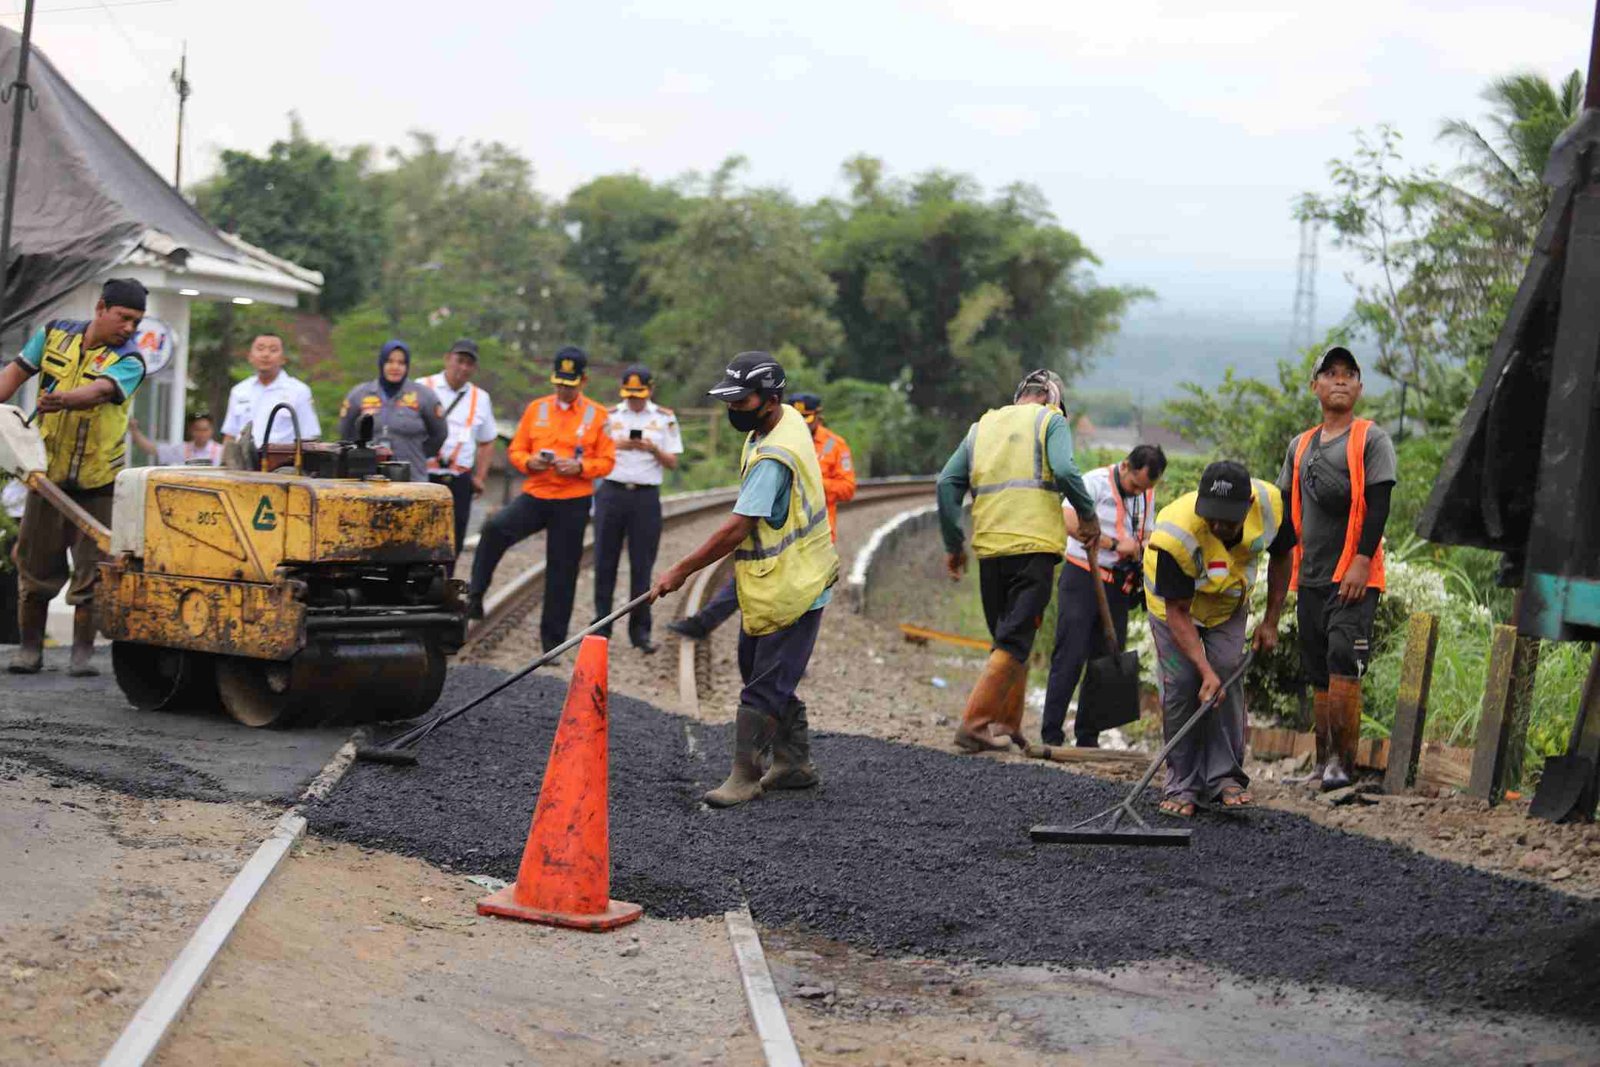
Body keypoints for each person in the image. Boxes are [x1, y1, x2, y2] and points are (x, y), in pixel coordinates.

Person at [652, 352, 839, 808]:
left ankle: (745, 775)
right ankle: (794, 762)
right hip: (776, 578)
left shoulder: (775, 455)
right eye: (730, 400)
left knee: (762, 684)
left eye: (742, 400)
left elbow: (736, 528)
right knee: (759, 670)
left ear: (771, 400)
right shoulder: (783, 422)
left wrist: (680, 570)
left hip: (794, 583)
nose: (733, 408)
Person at [936, 369, 1100, 753]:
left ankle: (1007, 724)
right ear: (1053, 398)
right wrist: (1088, 515)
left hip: (991, 548)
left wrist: (954, 544)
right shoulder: (1051, 420)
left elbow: (947, 483)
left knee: (1008, 638)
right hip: (1033, 547)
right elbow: (1064, 469)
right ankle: (974, 726)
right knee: (1015, 637)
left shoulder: (982, 426)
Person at [0, 278, 150, 675]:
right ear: (101, 308)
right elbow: (12, 377)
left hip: (99, 482)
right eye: (124, 317)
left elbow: (100, 392)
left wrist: (63, 399)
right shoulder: (52, 335)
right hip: (46, 477)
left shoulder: (132, 359)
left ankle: (82, 653)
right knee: (34, 564)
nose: (130, 328)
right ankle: (30, 649)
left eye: (137, 321)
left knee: (93, 571)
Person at [1142, 460, 1293, 817]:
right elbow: (1178, 612)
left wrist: (1271, 621)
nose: (1219, 526)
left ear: (1248, 505)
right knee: (1182, 683)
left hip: (1226, 604)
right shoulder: (1175, 532)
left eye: (1229, 519)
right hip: (1174, 610)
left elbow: (1283, 556)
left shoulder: (1270, 504)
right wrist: (1202, 669)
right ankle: (1182, 784)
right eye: (1212, 517)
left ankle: (1225, 777)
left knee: (1226, 672)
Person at [1277, 346, 1396, 792]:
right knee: (1316, 668)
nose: (1340, 380)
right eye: (1331, 373)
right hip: (1309, 574)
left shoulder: (1370, 439)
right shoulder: (1301, 445)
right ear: (1316, 387)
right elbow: (1286, 509)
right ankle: (1322, 759)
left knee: (1344, 657)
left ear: (1360, 388)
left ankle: (1343, 765)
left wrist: (1361, 562)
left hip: (1353, 575)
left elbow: (1380, 503)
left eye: (1349, 374)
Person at [668, 390, 854, 641]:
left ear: (819, 417)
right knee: (749, 581)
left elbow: (847, 488)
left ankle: (780, 647)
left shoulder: (834, 446)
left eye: (808, 417)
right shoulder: (780, 438)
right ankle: (708, 623)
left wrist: (804, 479)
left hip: (809, 539)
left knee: (795, 594)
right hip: (774, 535)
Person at [468, 346, 615, 651]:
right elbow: (516, 450)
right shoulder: (537, 409)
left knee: (562, 570)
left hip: (572, 501)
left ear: (583, 381)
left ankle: (553, 642)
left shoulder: (598, 415)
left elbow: (608, 461)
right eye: (559, 383)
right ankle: (475, 596)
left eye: (569, 385)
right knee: (495, 529)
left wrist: (580, 467)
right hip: (536, 495)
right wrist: (529, 462)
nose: (563, 390)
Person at [1042, 444, 1167, 747]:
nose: (1139, 492)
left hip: (1118, 584)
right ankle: (1051, 734)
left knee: (1106, 659)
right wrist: (1111, 544)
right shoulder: (1093, 483)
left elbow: (1147, 533)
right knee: (1070, 654)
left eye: (1146, 488)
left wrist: (1145, 545)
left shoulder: (1146, 495)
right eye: (1135, 485)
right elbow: (1070, 521)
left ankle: (1088, 736)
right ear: (1125, 466)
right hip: (1083, 576)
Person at [593, 364, 682, 653]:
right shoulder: (608, 415)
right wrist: (618, 444)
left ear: (650, 390)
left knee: (642, 566)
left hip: (645, 498)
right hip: (611, 492)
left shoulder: (665, 418)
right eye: (629, 394)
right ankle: (601, 628)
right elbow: (595, 451)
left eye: (639, 394)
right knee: (604, 562)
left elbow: (673, 462)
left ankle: (640, 632)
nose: (634, 400)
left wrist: (652, 449)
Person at [416, 339, 498, 565]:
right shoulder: (422, 387)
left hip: (459, 478)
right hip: (424, 475)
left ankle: (445, 587)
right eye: (459, 361)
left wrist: (480, 477)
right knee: (419, 536)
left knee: (454, 539)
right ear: (447, 359)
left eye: (469, 363)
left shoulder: (480, 398)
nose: (463, 368)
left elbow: (487, 440)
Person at [337, 341, 449, 482]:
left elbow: (439, 434)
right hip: (368, 479)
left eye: (401, 363)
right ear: (381, 363)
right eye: (390, 361)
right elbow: (345, 431)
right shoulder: (360, 394)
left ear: (407, 366)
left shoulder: (424, 395)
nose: (395, 367)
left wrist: (418, 452)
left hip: (412, 478)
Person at [220, 332, 321, 448]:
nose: (266, 354)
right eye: (260, 349)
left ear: (283, 359)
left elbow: (310, 437)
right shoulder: (239, 391)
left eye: (273, 350)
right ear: (250, 357)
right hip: (243, 463)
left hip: (282, 463)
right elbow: (230, 436)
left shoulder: (299, 391)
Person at [129, 412, 223, 466]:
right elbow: (152, 449)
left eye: (205, 430)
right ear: (190, 430)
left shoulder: (221, 451)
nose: (201, 433)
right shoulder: (181, 450)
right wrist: (134, 430)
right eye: (197, 429)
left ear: (212, 430)